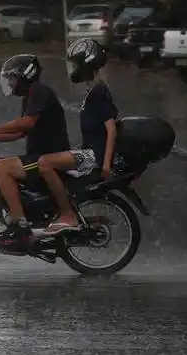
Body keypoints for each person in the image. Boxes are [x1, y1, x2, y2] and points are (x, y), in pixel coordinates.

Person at [0, 54, 70, 250]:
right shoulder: (31, 96)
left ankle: (20, 224)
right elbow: (19, 132)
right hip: (38, 155)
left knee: (1, 168)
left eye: (12, 77)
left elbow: (27, 122)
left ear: (26, 75)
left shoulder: (40, 92)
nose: (10, 82)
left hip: (47, 157)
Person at [37, 38, 118, 235]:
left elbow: (112, 129)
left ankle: (67, 215)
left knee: (44, 163)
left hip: (92, 157)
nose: (72, 69)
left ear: (86, 64)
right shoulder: (93, 90)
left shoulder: (99, 92)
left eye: (75, 64)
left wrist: (106, 165)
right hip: (87, 152)